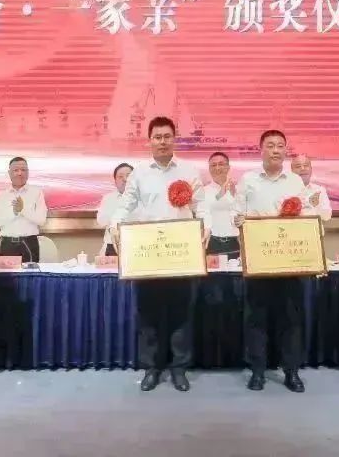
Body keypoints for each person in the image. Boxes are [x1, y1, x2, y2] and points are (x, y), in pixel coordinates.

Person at [110, 116, 209, 392]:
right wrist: (115, 225)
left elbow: (201, 207)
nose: (162, 142)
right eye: (157, 137)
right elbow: (126, 205)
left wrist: (206, 227)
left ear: (174, 139)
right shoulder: (139, 173)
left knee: (181, 313)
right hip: (149, 255)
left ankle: (179, 368)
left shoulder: (189, 171)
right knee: (148, 313)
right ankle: (151, 368)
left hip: (181, 253)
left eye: (167, 136)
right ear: (149, 141)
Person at [233, 130, 311, 393]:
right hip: (259, 260)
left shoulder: (295, 182)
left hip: (289, 260)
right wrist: (239, 221)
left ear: (286, 150)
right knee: (256, 318)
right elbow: (237, 213)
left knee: (291, 318)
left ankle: (292, 371)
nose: (276, 150)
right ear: (261, 149)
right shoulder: (248, 179)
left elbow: (306, 214)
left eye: (280, 146)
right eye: (270, 145)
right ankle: (258, 371)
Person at [0, 157, 48, 263]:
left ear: (28, 172)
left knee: (29, 274)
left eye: (23, 170)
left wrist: (23, 210)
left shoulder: (36, 192)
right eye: (16, 170)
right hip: (8, 244)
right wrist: (15, 212)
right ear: (9, 173)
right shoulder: (2, 195)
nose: (20, 173)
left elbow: (42, 220)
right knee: (7, 274)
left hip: (29, 243)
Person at [204, 152, 240, 259]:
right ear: (209, 169)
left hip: (236, 241)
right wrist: (220, 194)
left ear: (228, 167)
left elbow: (242, 213)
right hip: (212, 242)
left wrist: (234, 195)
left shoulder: (239, 189)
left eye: (221, 164)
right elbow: (204, 212)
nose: (217, 168)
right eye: (213, 165)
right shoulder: (203, 191)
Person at [96, 163, 133, 257]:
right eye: (120, 177)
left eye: (128, 176)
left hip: (135, 246)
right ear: (115, 181)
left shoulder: (143, 198)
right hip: (112, 246)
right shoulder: (108, 199)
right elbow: (101, 221)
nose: (125, 179)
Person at [290, 154, 333, 224]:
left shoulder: (319, 190)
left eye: (306, 165)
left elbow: (327, 217)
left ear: (311, 169)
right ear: (292, 171)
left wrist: (315, 205)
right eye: (298, 166)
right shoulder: (285, 191)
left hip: (314, 229)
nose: (302, 168)